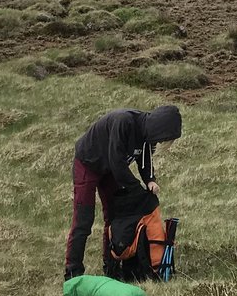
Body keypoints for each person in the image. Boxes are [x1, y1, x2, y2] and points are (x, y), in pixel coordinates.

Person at [63, 104, 182, 280]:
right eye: (164, 139)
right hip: (88, 163)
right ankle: (73, 273)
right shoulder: (124, 122)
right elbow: (116, 162)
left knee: (114, 218)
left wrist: (150, 180)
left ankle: (110, 269)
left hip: (110, 170)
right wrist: (136, 189)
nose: (160, 143)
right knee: (83, 219)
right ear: (160, 129)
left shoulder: (146, 133)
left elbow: (144, 158)